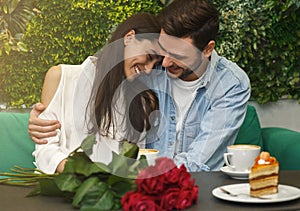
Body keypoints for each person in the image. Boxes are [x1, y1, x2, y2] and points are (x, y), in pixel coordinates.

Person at [29, 0, 251, 172]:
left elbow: (198, 161)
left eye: (177, 55)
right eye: (162, 51)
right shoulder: (146, 76)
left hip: (187, 187)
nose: (163, 64)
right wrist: (39, 120)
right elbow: (104, 78)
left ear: (207, 49)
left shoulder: (231, 85)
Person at [31, 13, 162, 174]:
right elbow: (45, 150)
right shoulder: (61, 77)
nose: (148, 70)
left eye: (155, 65)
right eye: (148, 57)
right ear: (129, 37)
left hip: (109, 193)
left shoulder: (142, 100)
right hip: (61, 186)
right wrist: (81, 174)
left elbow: (132, 162)